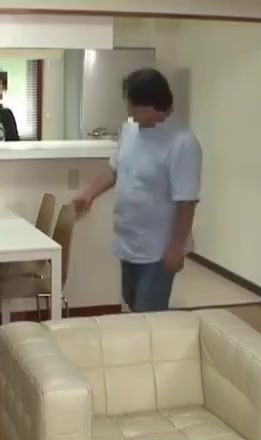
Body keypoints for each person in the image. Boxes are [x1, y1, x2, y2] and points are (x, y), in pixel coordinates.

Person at [73, 68, 201, 313]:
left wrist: (176, 248)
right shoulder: (130, 130)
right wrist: (88, 193)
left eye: (134, 107)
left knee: (147, 316)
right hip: (128, 242)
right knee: (133, 307)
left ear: (155, 105)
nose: (129, 112)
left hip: (158, 249)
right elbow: (115, 169)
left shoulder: (182, 143)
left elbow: (186, 201)